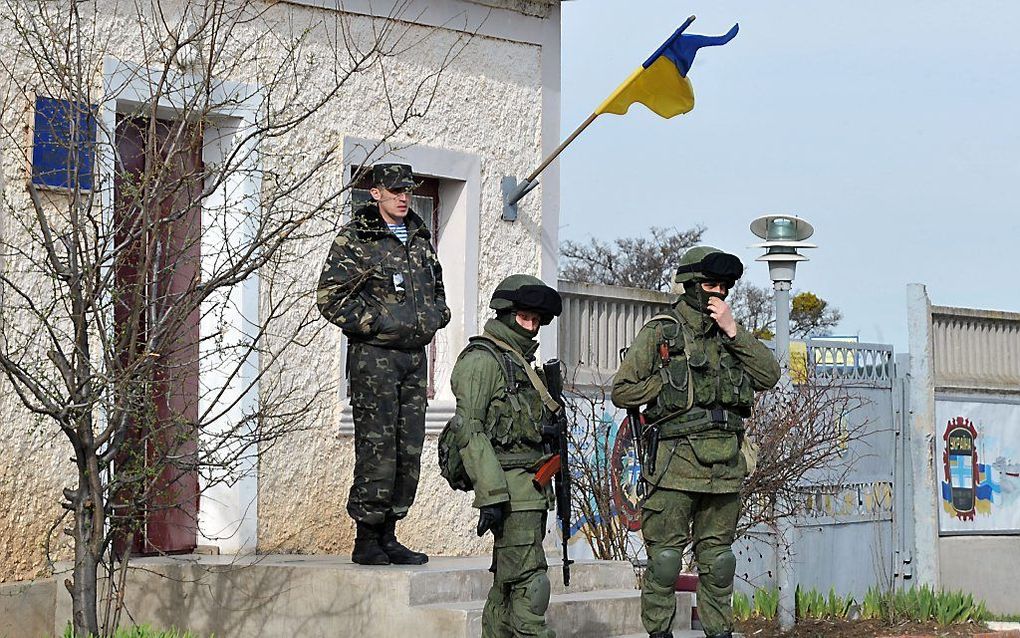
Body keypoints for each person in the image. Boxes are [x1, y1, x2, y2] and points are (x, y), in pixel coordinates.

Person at [612, 246, 780, 638]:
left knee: (719, 562)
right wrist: (668, 384)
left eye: (723, 286)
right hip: (675, 464)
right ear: (690, 285)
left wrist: (734, 332)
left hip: (724, 468)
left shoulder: (731, 335)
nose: (717, 293)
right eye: (709, 284)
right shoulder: (663, 330)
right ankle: (658, 632)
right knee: (666, 561)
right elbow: (623, 389)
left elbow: (769, 374)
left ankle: (719, 632)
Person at [317, 162, 450, 565]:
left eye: (407, 190)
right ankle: (367, 538)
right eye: (395, 191)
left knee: (408, 448)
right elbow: (331, 297)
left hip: (413, 358)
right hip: (375, 358)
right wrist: (378, 324)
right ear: (375, 193)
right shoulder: (358, 238)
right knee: (378, 448)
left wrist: (434, 316)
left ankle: (390, 533)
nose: (403, 197)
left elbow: (436, 288)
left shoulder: (419, 238)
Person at [447, 274, 563, 638]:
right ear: (506, 314)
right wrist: (492, 496)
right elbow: (471, 431)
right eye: (524, 318)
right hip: (510, 490)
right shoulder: (483, 361)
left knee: (507, 589)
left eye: (536, 320)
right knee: (531, 588)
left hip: (532, 488)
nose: (531, 327)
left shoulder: (522, 364)